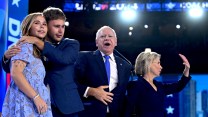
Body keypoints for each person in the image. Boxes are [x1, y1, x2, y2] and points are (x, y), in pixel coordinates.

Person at [2, 7, 84, 117]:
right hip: (35, 102)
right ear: (48, 26)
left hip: (65, 106)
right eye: (56, 26)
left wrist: (36, 41)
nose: (61, 31)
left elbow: (63, 58)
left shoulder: (71, 44)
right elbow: (12, 71)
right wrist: (6, 57)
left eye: (63, 26)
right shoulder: (28, 46)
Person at [1, 12, 52, 116]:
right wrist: (36, 97)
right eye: (37, 23)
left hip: (35, 100)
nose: (42, 26)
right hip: (26, 100)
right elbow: (16, 73)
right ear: (28, 26)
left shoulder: (36, 48)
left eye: (44, 24)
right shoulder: (25, 45)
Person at [74, 26, 132, 117]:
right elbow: (71, 83)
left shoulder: (125, 65)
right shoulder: (84, 58)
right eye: (103, 36)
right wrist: (91, 91)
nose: (106, 38)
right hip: (89, 113)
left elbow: (122, 95)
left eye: (110, 36)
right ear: (96, 42)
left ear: (115, 42)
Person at [124, 50, 191, 117]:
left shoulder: (159, 86)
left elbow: (178, 86)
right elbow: (127, 111)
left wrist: (187, 69)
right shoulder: (135, 85)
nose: (161, 67)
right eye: (158, 63)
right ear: (148, 64)